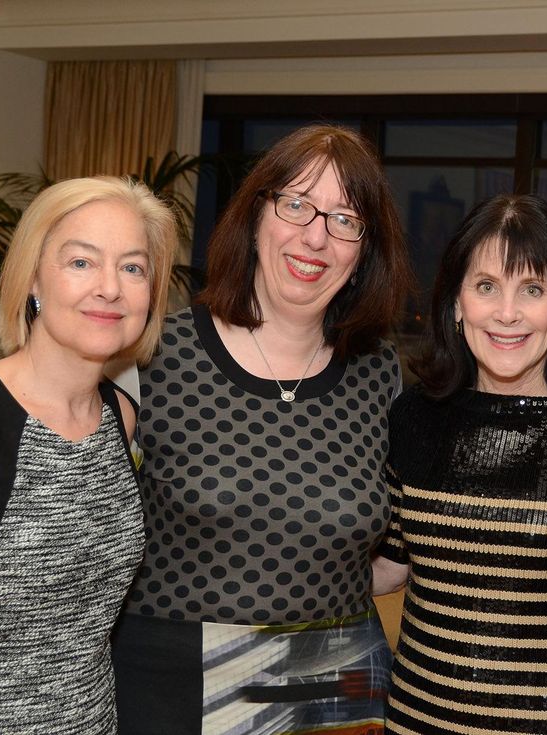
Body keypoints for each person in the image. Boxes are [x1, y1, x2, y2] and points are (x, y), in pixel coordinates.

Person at [112, 124, 413, 734]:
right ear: (255, 217)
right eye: (297, 204)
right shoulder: (154, 354)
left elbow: (399, 547)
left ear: (363, 254)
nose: (315, 238)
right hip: (168, 689)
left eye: (345, 220)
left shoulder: (381, 374)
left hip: (337, 685)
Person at [0, 176, 177, 734]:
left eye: (133, 268)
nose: (110, 288)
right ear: (34, 277)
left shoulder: (119, 415)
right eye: (82, 262)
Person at [372, 194, 547, 735]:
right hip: (417, 722)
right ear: (457, 302)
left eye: (532, 289)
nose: (507, 313)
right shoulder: (414, 417)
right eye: (486, 286)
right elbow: (390, 568)